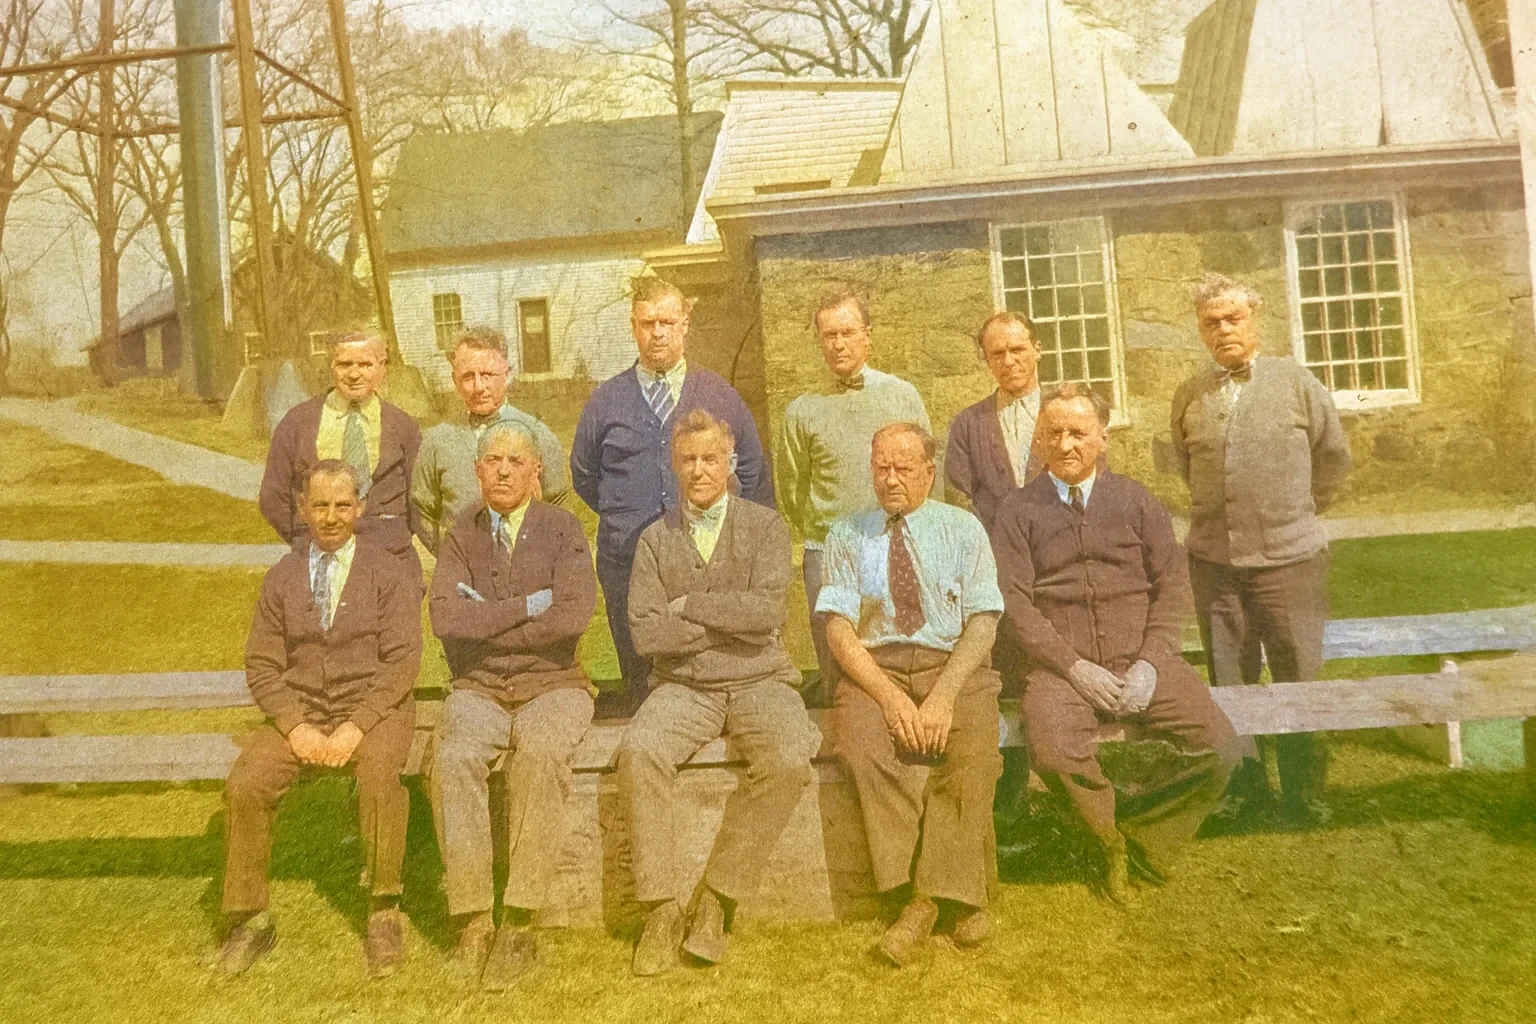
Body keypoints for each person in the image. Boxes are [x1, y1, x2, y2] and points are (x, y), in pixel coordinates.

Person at [993, 384, 1248, 904]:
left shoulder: (1136, 501)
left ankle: (1144, 837)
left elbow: (1173, 586)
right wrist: (1073, 667)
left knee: (1223, 747)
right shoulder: (1018, 511)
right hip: (1062, 671)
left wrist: (1151, 663)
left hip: (1142, 662)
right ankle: (1107, 841)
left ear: (1103, 437)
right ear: (1038, 440)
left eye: (1078, 433)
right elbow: (1016, 605)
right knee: (1053, 750)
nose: (1065, 444)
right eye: (1053, 433)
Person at [618, 410, 816, 975]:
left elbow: (767, 614)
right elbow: (647, 634)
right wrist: (727, 624)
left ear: (730, 462)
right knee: (639, 752)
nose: (699, 470)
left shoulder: (766, 528)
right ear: (673, 466)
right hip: (685, 685)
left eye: (710, 458)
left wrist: (691, 606)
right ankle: (661, 908)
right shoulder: (655, 539)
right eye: (688, 460)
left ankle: (717, 900)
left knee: (788, 757)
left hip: (760, 679)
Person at [214, 460, 421, 978]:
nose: (331, 517)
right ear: (302, 509)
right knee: (247, 782)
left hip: (375, 710)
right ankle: (248, 917)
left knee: (380, 779)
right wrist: (295, 725)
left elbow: (402, 662)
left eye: (343, 505)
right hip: (302, 711)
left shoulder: (388, 573)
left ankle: (384, 909)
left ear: (361, 508)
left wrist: (356, 725)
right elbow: (262, 665)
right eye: (321, 506)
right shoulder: (281, 577)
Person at [818, 422, 1003, 967]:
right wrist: (889, 698)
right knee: (862, 745)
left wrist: (943, 697)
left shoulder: (963, 529)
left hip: (955, 665)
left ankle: (922, 904)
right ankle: (944, 895)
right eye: (882, 467)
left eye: (903, 468)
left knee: (973, 755)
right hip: (879, 668)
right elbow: (839, 631)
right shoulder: (846, 534)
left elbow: (984, 623)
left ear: (928, 470)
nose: (891, 479)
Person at [1170, 273, 1352, 823]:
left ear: (1254, 321)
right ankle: (1244, 791)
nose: (1223, 330)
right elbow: (1187, 466)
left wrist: (1292, 516)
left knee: (1297, 673)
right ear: (1201, 331)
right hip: (1215, 565)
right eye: (1212, 322)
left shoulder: (1297, 383)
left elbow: (1332, 460)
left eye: (1234, 318)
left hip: (1289, 562)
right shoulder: (1190, 394)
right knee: (1230, 677)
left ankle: (1303, 793)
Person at [428, 421, 597, 991]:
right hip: (479, 686)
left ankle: (520, 916)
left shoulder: (562, 529)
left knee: (541, 755)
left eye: (515, 461)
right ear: (477, 471)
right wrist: (526, 606)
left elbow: (572, 616)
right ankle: (473, 916)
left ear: (535, 471)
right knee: (453, 757)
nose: (503, 470)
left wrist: (487, 622)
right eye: (492, 461)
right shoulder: (461, 533)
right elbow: (445, 619)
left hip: (554, 684)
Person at [571, 277, 772, 709]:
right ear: (634, 327)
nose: (657, 333)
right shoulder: (606, 401)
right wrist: (626, 514)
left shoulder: (719, 395)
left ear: (685, 325)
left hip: (705, 558)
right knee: (639, 677)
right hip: (626, 559)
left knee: (708, 667)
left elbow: (753, 473)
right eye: (647, 323)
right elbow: (584, 475)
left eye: (666, 322)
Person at [777, 285, 931, 707]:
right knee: (836, 667)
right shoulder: (802, 410)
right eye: (829, 335)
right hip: (828, 551)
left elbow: (924, 473)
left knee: (899, 655)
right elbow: (792, 488)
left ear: (867, 336)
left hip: (894, 544)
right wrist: (827, 532)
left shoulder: (902, 396)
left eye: (847, 332)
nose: (838, 344)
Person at [942, 310, 1048, 819]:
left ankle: (1073, 788)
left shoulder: (1065, 412)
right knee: (1003, 682)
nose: (1009, 361)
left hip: (1058, 577)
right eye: (997, 354)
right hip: (999, 581)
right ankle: (1010, 799)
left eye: (1018, 349)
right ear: (986, 361)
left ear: (1037, 348)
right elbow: (959, 500)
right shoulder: (970, 424)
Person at [259, 331, 423, 584]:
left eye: (365, 365)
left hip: (391, 559)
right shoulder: (298, 423)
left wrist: (393, 535)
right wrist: (307, 536)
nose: (354, 374)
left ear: (382, 368)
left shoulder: (403, 427)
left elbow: (420, 499)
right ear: (331, 366)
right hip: (318, 558)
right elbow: (273, 497)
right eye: (345, 364)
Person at [410, 326, 570, 554]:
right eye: (468, 377)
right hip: (461, 568)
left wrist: (536, 557)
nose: (478, 387)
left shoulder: (538, 435)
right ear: (455, 380)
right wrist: (450, 556)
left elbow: (559, 506)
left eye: (487, 375)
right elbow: (421, 509)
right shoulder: (437, 441)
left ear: (507, 374)